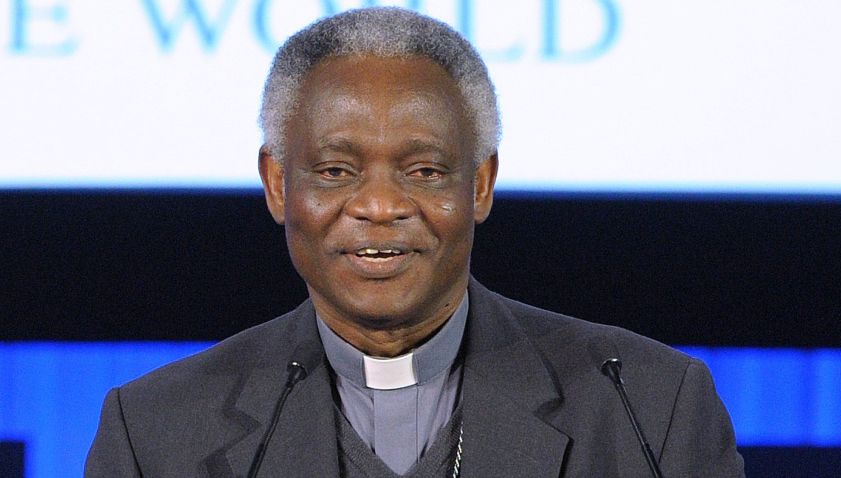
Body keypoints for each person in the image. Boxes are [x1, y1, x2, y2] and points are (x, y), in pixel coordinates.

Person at [86, 7, 744, 477]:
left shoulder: (649, 410)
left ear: (480, 185)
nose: (379, 206)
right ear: (278, 184)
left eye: (423, 171)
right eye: (337, 171)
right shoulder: (156, 431)